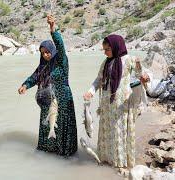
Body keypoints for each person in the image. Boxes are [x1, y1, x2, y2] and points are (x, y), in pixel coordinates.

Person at [83, 34, 149, 170]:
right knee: (108, 131)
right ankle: (107, 159)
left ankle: (120, 162)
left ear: (116, 47)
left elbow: (140, 74)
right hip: (107, 105)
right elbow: (98, 80)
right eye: (104, 49)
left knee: (119, 131)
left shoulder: (130, 60)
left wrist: (145, 78)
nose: (105, 52)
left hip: (121, 104)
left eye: (107, 49)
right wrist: (91, 91)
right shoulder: (106, 63)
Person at [18, 15, 77, 156]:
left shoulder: (61, 61)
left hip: (61, 101)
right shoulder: (43, 66)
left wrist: (53, 28)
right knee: (47, 126)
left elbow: (61, 46)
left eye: (47, 52)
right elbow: (34, 77)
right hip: (47, 100)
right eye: (42, 53)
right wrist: (25, 85)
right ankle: (48, 152)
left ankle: (65, 153)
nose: (45, 55)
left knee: (62, 126)